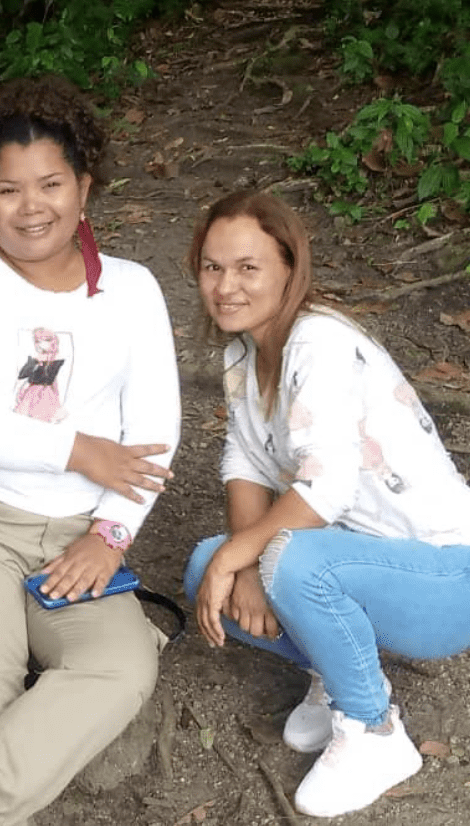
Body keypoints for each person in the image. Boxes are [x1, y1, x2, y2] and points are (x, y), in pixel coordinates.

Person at [0, 77, 180, 826]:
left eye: (51, 184)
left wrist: (110, 535)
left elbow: (155, 430)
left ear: (84, 188)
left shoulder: (131, 290)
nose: (31, 207)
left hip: (79, 532)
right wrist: (79, 450)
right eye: (9, 189)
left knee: (121, 665)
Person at [183, 191, 470, 818]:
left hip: (447, 577)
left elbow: (326, 487)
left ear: (290, 268)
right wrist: (237, 565)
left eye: (248, 267)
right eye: (212, 267)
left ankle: (375, 733)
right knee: (207, 568)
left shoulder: (317, 342)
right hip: (360, 563)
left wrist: (244, 556)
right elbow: (244, 463)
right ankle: (342, 675)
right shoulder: (243, 352)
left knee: (286, 561)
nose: (225, 286)